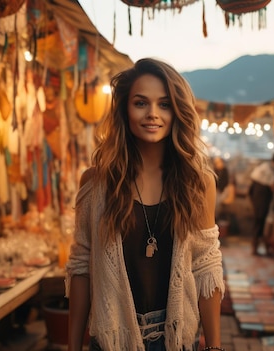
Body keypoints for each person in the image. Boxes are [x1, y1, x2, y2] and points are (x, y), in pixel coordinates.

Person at [66, 58, 225, 351]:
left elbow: (206, 266)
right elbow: (81, 265)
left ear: (177, 111)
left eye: (164, 104)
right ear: (125, 110)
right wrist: (73, 345)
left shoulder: (198, 182)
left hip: (177, 338)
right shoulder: (96, 183)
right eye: (141, 103)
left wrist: (214, 347)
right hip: (112, 337)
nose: (153, 114)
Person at [248, 151, 274, 255]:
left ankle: (257, 246)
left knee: (259, 221)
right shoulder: (272, 170)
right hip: (262, 196)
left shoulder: (265, 166)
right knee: (260, 220)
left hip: (257, 194)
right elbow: (273, 186)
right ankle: (255, 247)